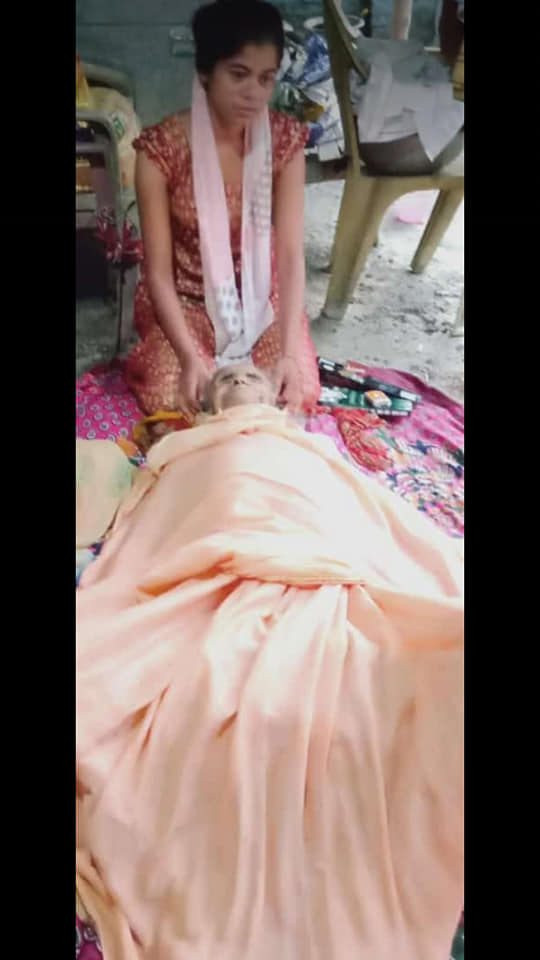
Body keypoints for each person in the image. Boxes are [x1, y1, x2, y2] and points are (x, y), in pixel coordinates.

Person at [76, 385, 464, 960]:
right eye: (227, 384)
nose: (239, 385)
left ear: (276, 401)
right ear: (206, 406)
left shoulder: (306, 445)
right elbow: (162, 517)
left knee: (418, 651)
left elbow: (359, 506)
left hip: (303, 538)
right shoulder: (185, 449)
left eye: (249, 381)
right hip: (227, 526)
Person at [124, 0, 321, 419]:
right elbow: (157, 273)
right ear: (204, 72)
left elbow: (289, 255)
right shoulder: (162, 150)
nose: (254, 93)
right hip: (187, 302)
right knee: (179, 399)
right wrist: (189, 357)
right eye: (238, 74)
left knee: (293, 393)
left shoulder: (285, 141)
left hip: (263, 302)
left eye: (266, 78)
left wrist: (288, 353)